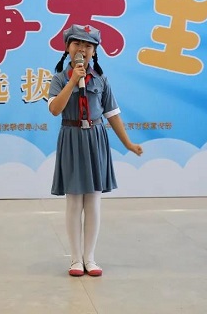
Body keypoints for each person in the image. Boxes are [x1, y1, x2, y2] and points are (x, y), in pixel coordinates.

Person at [48, 24, 143, 277]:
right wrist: (73, 81)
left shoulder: (101, 79)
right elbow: (55, 109)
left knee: (93, 201)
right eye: (77, 43)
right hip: (71, 139)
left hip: (96, 139)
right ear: (67, 48)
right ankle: (75, 259)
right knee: (73, 201)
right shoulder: (59, 79)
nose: (82, 49)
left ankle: (90, 258)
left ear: (95, 51)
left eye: (88, 45)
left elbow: (112, 114)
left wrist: (128, 144)